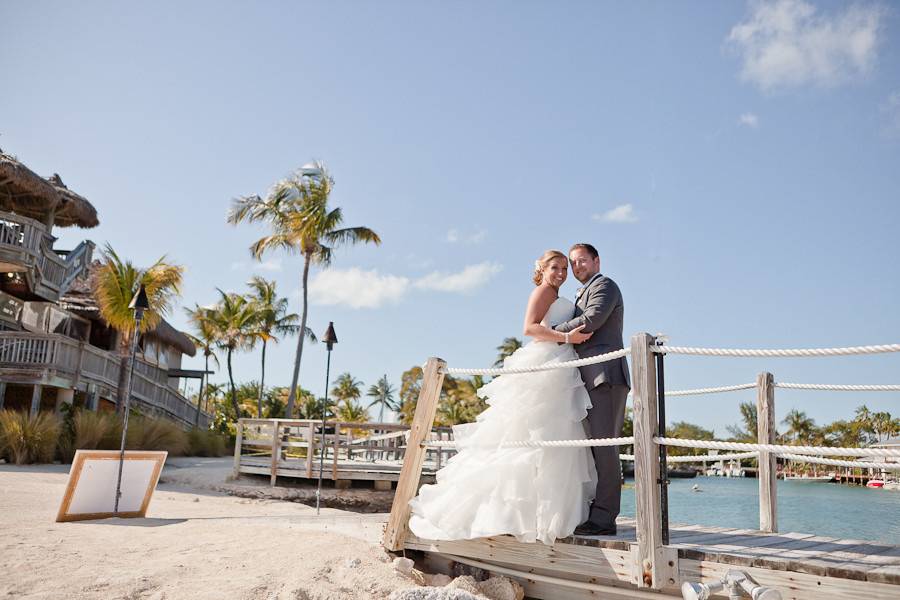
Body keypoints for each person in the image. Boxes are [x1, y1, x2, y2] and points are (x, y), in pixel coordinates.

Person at [408, 250, 598, 545]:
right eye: (555, 267)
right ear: (542, 269)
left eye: (564, 268)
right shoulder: (543, 291)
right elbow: (530, 328)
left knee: (554, 438)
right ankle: (513, 515)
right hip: (547, 361)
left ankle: (546, 513)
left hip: (560, 364)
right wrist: (567, 338)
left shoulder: (557, 292)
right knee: (530, 436)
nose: (561, 272)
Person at [553, 243, 630, 536]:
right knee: (592, 450)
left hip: (605, 377)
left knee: (605, 447)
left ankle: (604, 519)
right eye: (573, 263)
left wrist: (551, 333)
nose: (577, 267)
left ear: (597, 261)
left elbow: (592, 320)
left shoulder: (605, 286)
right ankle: (594, 511)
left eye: (582, 260)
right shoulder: (580, 292)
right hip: (587, 379)